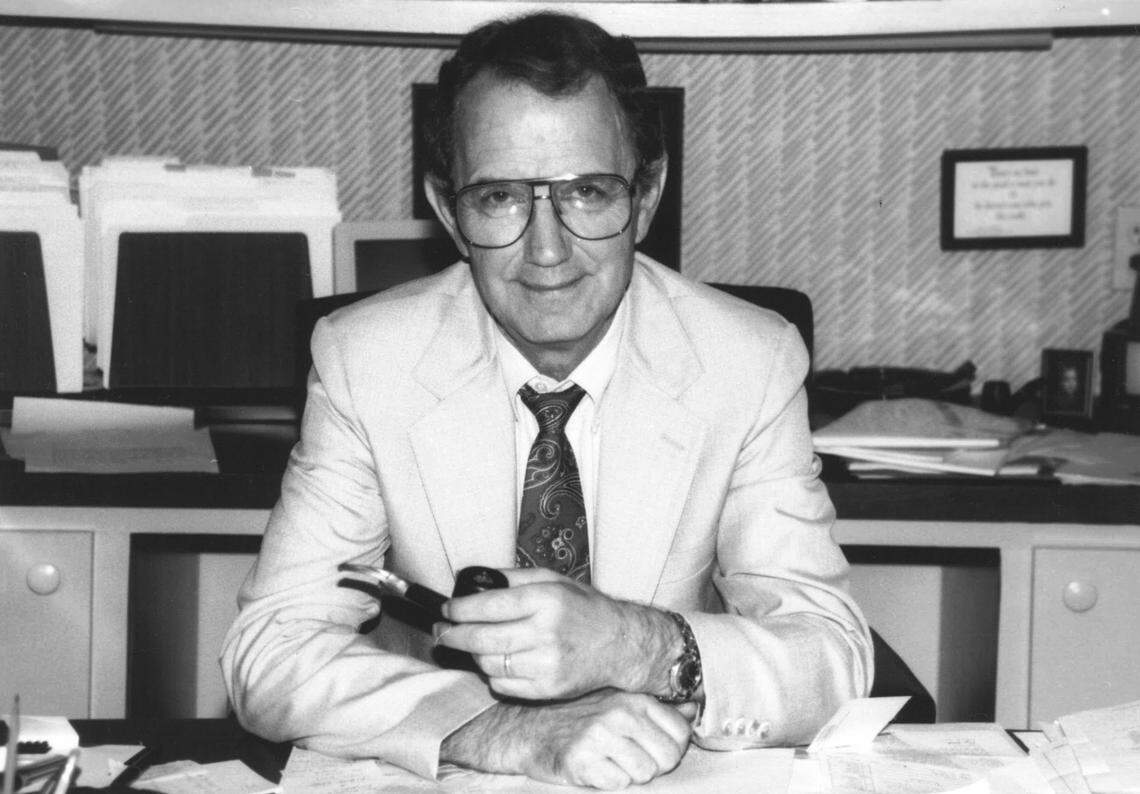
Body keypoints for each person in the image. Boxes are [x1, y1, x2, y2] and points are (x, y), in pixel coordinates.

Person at [221, 11, 873, 790]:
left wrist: (637, 644)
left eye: (588, 193)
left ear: (646, 195)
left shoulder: (749, 360)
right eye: (499, 197)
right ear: (448, 211)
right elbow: (270, 650)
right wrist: (501, 730)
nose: (547, 248)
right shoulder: (366, 360)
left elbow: (833, 657)